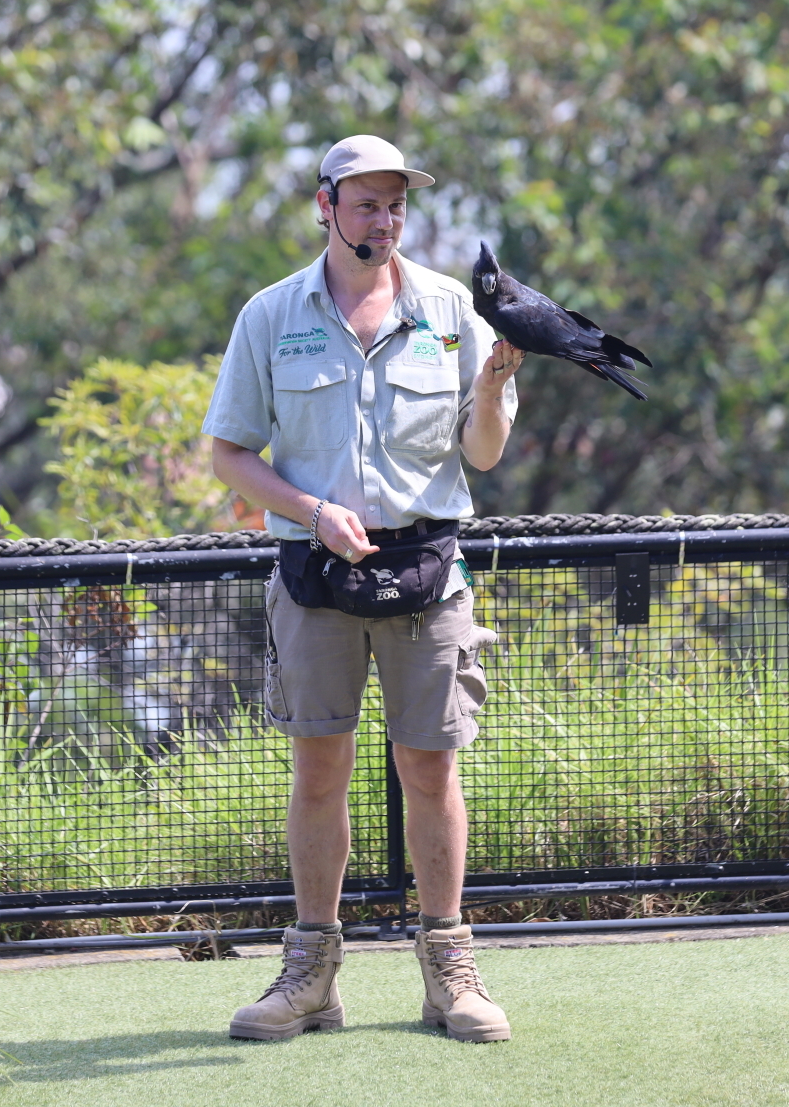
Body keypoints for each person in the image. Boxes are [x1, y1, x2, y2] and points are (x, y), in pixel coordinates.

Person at [201, 134, 523, 1043]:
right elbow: (229, 454)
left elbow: (483, 453)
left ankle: (449, 972)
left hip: (428, 572)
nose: (384, 220)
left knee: (431, 765)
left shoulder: (454, 308)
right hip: (315, 578)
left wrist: (496, 383)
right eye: (368, 202)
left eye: (396, 205)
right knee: (320, 770)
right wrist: (311, 512)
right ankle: (311, 976)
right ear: (326, 206)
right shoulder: (270, 315)